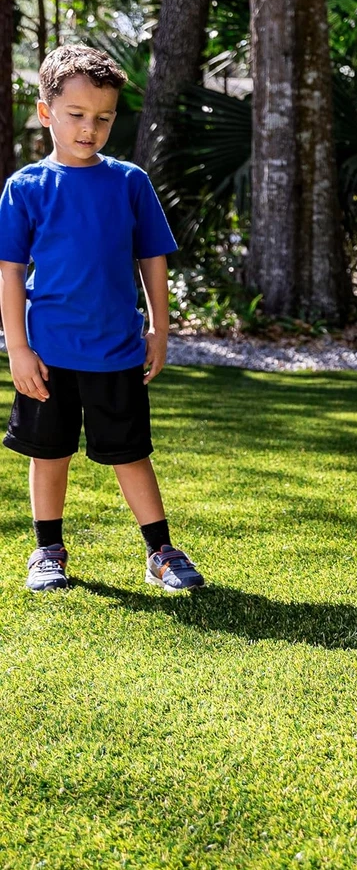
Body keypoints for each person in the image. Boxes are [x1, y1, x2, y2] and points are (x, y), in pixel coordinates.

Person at [0, 44, 204, 594]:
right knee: (49, 454)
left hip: (117, 349)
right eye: (77, 115)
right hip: (48, 353)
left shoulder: (129, 182)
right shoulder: (24, 189)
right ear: (47, 112)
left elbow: (152, 260)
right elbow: (11, 273)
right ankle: (47, 550)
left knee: (131, 452)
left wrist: (160, 330)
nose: (90, 128)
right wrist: (18, 349)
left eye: (104, 118)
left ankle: (160, 551)